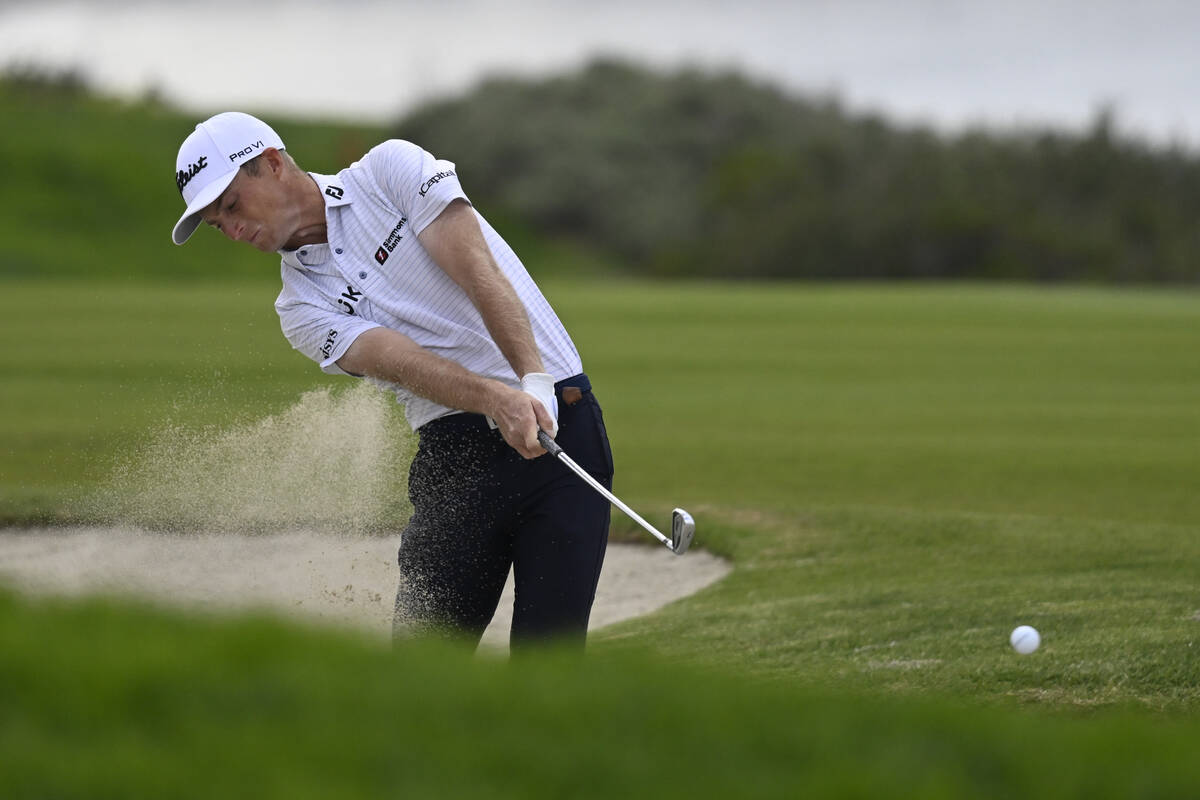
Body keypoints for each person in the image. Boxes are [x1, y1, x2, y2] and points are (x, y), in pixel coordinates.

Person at [171, 111, 613, 649]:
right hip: (455, 457)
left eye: (233, 206)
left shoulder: (388, 171)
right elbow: (397, 361)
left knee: (550, 662)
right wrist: (498, 400)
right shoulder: (299, 308)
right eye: (219, 224)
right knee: (422, 665)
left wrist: (532, 380)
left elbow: (476, 267)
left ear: (272, 163)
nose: (234, 230)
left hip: (560, 423)